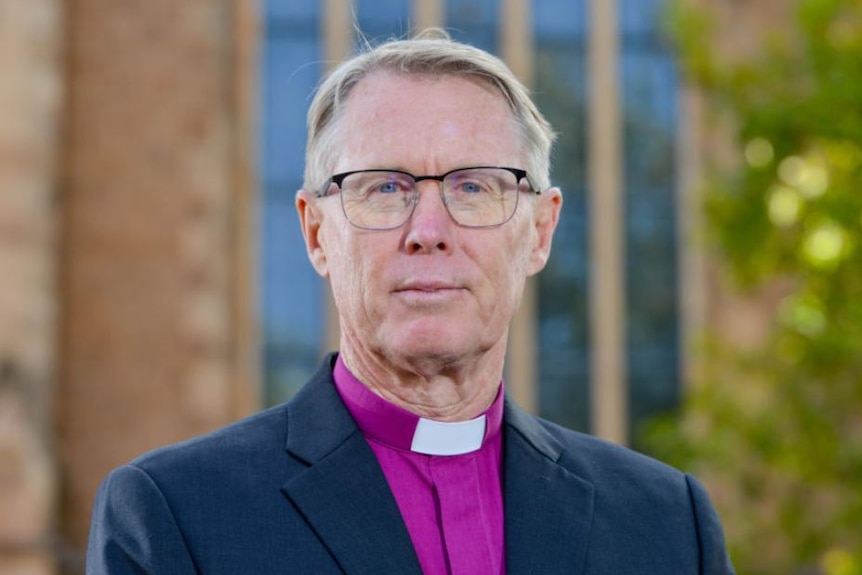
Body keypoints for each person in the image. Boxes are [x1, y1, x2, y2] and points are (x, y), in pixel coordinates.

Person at [87, 29, 735, 574]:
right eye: (384, 188)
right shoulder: (176, 514)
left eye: (475, 186)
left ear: (539, 231)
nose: (428, 230)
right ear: (317, 232)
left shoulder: (667, 524)